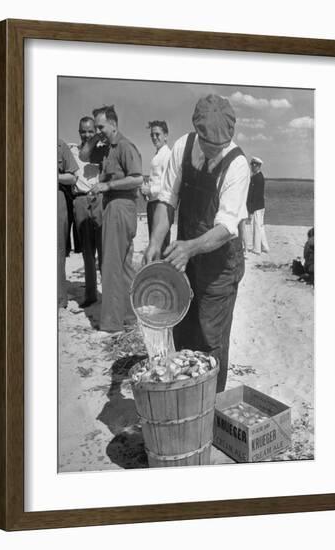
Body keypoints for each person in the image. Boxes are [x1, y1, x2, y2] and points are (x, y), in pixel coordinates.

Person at [144, 94, 250, 392]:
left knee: (210, 338)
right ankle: (186, 399)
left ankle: (210, 406)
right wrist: (155, 241)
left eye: (220, 147)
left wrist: (189, 247)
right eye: (208, 145)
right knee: (184, 329)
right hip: (186, 259)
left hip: (220, 266)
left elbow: (227, 227)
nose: (214, 152)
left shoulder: (237, 164)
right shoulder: (182, 146)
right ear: (198, 133)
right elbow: (166, 200)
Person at [88, 105, 143, 332]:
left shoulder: (124, 146)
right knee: (124, 266)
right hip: (119, 208)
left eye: (100, 126)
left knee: (110, 265)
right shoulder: (108, 147)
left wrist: (107, 185)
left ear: (113, 123)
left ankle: (111, 322)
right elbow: (84, 155)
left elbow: (138, 179)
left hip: (120, 208)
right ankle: (129, 316)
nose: (98, 130)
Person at [69, 117, 107, 308]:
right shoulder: (72, 150)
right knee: (87, 251)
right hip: (81, 201)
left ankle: (108, 294)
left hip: (99, 199)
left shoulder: (103, 150)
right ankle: (91, 295)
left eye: (91, 131)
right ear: (79, 132)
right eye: (83, 131)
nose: (87, 135)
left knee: (104, 249)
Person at [140, 121, 173, 253]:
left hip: (161, 204)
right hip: (153, 202)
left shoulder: (167, 155)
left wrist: (150, 190)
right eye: (152, 135)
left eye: (157, 134)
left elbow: (168, 184)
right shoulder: (158, 154)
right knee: (154, 242)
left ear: (166, 135)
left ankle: (162, 271)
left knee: (160, 243)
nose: (154, 137)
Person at [58, 139, 79, 308]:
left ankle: (59, 298)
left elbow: (73, 176)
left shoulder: (60, 145)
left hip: (57, 197)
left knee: (58, 251)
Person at [247, 156, 270, 255]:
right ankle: (264, 247)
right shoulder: (258, 177)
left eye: (254, 165)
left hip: (257, 206)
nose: (252, 167)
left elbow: (255, 195)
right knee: (260, 226)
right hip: (259, 206)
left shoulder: (257, 178)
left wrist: (251, 210)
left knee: (257, 227)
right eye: (251, 164)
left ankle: (257, 249)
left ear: (259, 166)